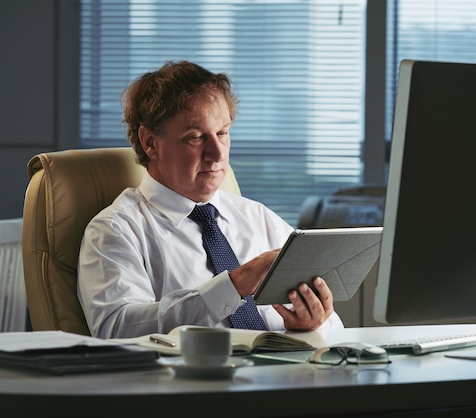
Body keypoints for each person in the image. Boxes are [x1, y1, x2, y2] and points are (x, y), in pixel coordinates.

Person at [77, 60, 344, 339]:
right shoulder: (115, 230)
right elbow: (116, 328)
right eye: (195, 137)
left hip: (281, 377)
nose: (217, 154)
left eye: (222, 133)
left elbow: (334, 326)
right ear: (150, 143)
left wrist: (312, 324)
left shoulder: (259, 217)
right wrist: (233, 286)